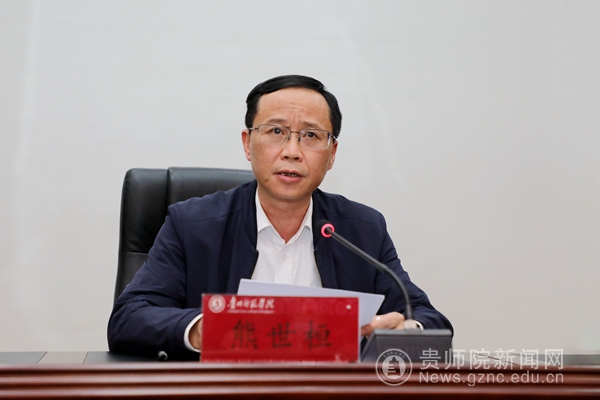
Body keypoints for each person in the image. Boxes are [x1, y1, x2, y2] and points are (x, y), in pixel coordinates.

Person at [108, 75, 452, 359]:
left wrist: (405, 331)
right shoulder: (192, 225)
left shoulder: (361, 230)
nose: (292, 151)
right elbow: (129, 318)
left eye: (311, 136)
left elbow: (431, 321)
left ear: (332, 154)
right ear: (247, 143)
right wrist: (205, 329)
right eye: (276, 132)